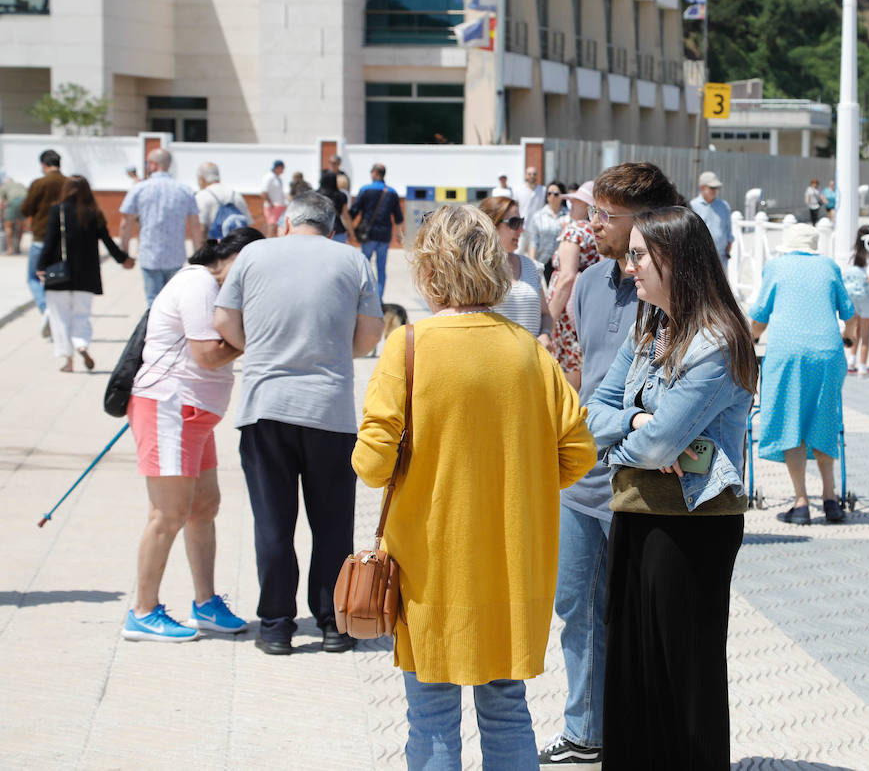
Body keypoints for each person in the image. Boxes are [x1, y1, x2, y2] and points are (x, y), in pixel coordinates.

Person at [353, 204, 595, 768]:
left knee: (431, 716)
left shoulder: (408, 347)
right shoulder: (529, 352)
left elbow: (370, 465)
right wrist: (523, 479)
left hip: (431, 568)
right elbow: (578, 453)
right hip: (514, 567)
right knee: (509, 711)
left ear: (429, 268)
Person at [584, 205, 757, 769]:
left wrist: (635, 438)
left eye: (638, 256)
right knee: (632, 672)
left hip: (692, 527)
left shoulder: (717, 341)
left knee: (683, 677)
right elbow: (594, 413)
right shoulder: (651, 325)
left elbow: (659, 446)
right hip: (635, 510)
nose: (628, 267)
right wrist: (635, 426)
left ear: (674, 259)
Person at [539, 162, 681, 768]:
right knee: (575, 607)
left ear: (646, 222)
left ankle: (643, 736)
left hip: (646, 481)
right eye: (589, 211)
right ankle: (585, 731)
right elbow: (577, 372)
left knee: (641, 619)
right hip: (581, 476)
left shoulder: (680, 291)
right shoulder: (591, 283)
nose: (590, 224)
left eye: (604, 215)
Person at [213, 192, 384, 655]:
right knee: (332, 524)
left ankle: (276, 627)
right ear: (333, 228)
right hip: (328, 410)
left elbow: (224, 319)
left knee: (273, 522)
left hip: (265, 406)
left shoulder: (254, 254)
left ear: (287, 223)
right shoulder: (353, 260)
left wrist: (264, 347)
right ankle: (333, 624)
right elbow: (369, 336)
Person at [122, 227, 265, 643]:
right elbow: (207, 355)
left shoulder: (208, 285)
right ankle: (143, 611)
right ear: (234, 258)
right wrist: (260, 335)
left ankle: (205, 604)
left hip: (194, 416)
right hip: (168, 408)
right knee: (167, 514)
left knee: (204, 507)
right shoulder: (199, 282)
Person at [750, 223, 855, 525]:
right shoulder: (829, 266)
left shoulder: (776, 267)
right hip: (827, 353)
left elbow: (759, 318)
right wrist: (849, 338)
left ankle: (801, 502)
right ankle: (830, 498)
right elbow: (849, 316)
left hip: (789, 353)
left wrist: (752, 339)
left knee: (790, 420)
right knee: (824, 418)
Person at [37, 176, 136, 372]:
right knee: (81, 315)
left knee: (60, 318)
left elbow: (49, 242)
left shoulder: (58, 210)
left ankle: (68, 361)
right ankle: (81, 344)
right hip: (86, 276)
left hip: (59, 274)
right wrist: (123, 259)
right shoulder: (93, 213)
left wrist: (41, 266)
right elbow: (107, 241)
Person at [120, 149, 203, 306]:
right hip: (175, 256)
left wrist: (123, 252)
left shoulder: (139, 188)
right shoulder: (184, 190)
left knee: (153, 303)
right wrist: (198, 254)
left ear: (153, 164)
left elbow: (126, 222)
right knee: (173, 303)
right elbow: (195, 226)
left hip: (149, 255)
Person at [478, 195, 554, 347]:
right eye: (514, 223)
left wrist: (546, 334)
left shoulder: (531, 267)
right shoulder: (478, 271)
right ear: (491, 226)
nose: (521, 229)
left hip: (532, 363)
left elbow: (546, 314)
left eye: (521, 222)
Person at [545, 181, 598, 390]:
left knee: (569, 369)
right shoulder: (595, 231)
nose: (571, 206)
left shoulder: (574, 231)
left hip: (567, 311)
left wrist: (550, 317)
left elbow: (567, 276)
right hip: (586, 307)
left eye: (576, 202)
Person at [21, 149, 68, 330]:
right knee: (56, 278)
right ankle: (56, 313)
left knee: (33, 277)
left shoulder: (39, 183)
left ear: (43, 165)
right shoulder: (68, 183)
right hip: (63, 240)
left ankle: (45, 308)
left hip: (41, 236)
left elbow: (26, 209)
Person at [349, 164, 405, 301]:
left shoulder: (365, 190)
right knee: (381, 269)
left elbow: (354, 211)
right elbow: (398, 217)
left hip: (367, 234)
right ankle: (378, 300)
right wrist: (398, 234)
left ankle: (363, 296)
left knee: (364, 267)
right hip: (384, 235)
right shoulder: (392, 192)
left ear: (374, 173)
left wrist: (349, 229)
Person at [841, 225, 869, 375]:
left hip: (852, 296)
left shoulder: (853, 256)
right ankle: (863, 366)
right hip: (867, 297)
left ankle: (851, 360)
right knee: (865, 333)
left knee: (854, 330)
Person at [194, 163, 251, 240]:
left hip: (217, 247)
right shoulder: (235, 194)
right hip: (237, 246)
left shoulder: (202, 196)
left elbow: (201, 229)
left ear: (201, 179)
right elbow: (248, 224)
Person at [690, 171, 733, 269]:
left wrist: (728, 248)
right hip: (701, 258)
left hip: (721, 257)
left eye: (716, 188)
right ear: (702, 188)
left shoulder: (724, 206)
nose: (715, 190)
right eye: (712, 188)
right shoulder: (693, 206)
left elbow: (728, 230)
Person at [528, 180, 567, 279]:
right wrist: (532, 259)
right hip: (543, 260)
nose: (552, 196)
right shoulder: (538, 216)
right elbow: (533, 240)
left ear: (562, 196)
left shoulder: (568, 215)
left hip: (563, 261)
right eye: (549, 193)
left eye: (556, 194)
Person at [318, 172, 352, 243]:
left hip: (320, 231)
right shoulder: (341, 195)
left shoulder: (316, 195)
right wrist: (351, 232)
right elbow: (346, 216)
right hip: (338, 231)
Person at [260, 160, 288, 237]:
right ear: (278, 168)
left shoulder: (278, 178)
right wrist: (270, 203)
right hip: (273, 206)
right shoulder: (269, 177)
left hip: (280, 205)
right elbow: (263, 192)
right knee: (272, 226)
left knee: (278, 226)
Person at [2, 175, 28, 255]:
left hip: (13, 202)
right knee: (22, 226)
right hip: (25, 202)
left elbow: (1, 202)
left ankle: (10, 249)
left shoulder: (4, 187)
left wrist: (3, 215)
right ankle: (18, 248)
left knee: (8, 226)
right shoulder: (20, 184)